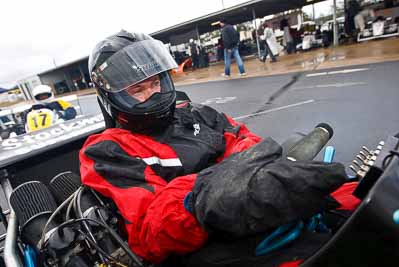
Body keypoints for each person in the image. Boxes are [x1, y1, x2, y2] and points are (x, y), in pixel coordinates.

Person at [80, 30, 359, 266]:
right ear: (111, 98)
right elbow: (149, 232)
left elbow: (248, 143)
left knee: (357, 201)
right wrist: (209, 192)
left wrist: (242, 176)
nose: (154, 93)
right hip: (203, 246)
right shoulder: (108, 150)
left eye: (156, 82)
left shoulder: (196, 113)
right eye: (139, 90)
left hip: (255, 211)